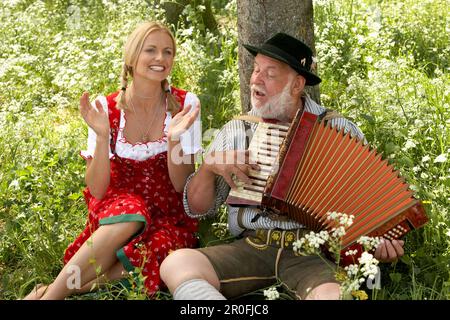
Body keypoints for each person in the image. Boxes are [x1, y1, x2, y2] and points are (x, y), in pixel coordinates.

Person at [159, 33, 405, 300]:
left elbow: (370, 206)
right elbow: (198, 209)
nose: (255, 79)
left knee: (334, 297)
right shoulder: (236, 130)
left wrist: (378, 242)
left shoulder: (338, 129)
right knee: (177, 264)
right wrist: (208, 167)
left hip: (313, 255)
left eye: (270, 73)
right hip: (251, 246)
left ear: (297, 84)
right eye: (255, 70)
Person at [24, 21, 201, 300]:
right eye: (150, 50)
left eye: (168, 52)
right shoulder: (104, 108)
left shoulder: (186, 104)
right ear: (131, 58)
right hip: (118, 203)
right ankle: (51, 298)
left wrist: (174, 139)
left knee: (155, 257)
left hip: (168, 210)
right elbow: (97, 189)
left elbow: (182, 186)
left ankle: (59, 289)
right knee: (132, 212)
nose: (160, 59)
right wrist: (103, 134)